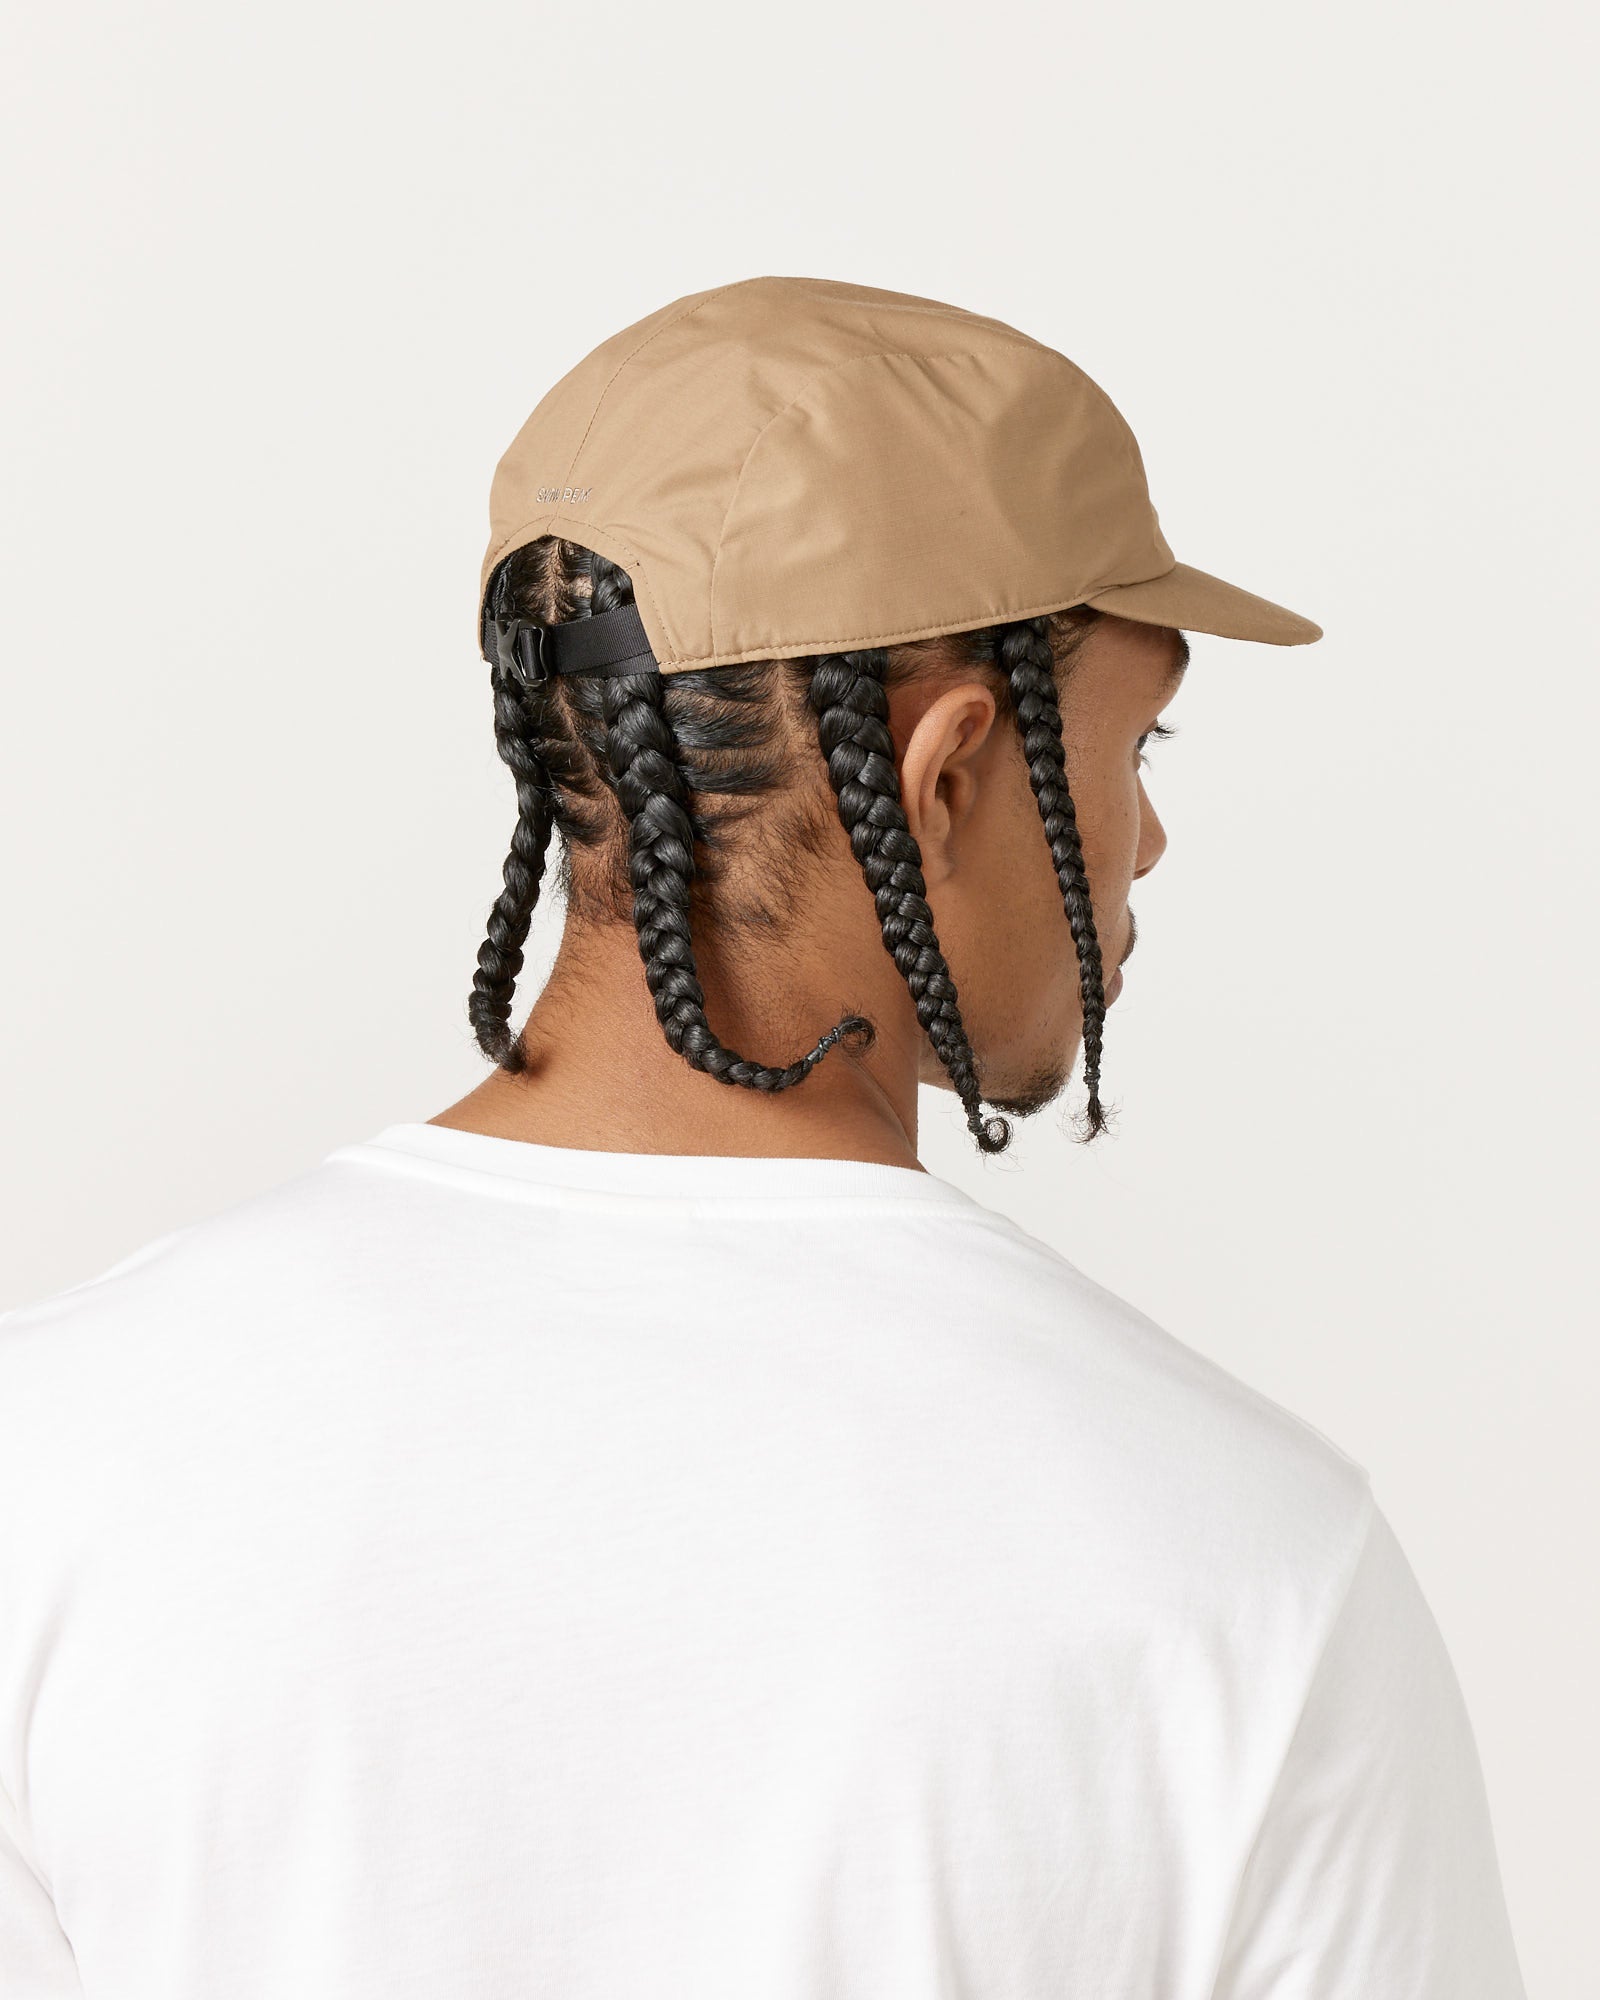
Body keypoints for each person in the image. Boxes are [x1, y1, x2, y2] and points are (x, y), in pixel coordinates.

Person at [0, 276, 1526, 1997]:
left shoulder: (54, 1453)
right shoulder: (1244, 1562)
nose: (1148, 839)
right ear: (948, 774)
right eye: (1137, 741)